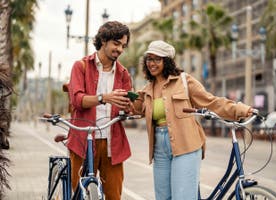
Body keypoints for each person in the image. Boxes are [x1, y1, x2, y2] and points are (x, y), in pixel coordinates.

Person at [130, 40, 256, 200]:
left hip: (186, 145)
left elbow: (211, 101)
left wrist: (240, 109)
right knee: (163, 197)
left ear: (166, 61)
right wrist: (125, 99)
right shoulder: (147, 90)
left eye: (157, 59)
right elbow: (136, 109)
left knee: (183, 197)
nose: (151, 63)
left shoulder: (184, 81)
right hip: (159, 149)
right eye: (149, 59)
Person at [67, 21, 132, 200]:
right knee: (79, 193)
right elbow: (77, 100)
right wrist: (104, 97)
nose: (120, 49)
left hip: (113, 143)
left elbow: (125, 109)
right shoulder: (81, 66)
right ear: (103, 40)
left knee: (114, 195)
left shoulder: (123, 73)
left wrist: (128, 108)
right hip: (84, 139)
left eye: (123, 46)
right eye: (116, 43)